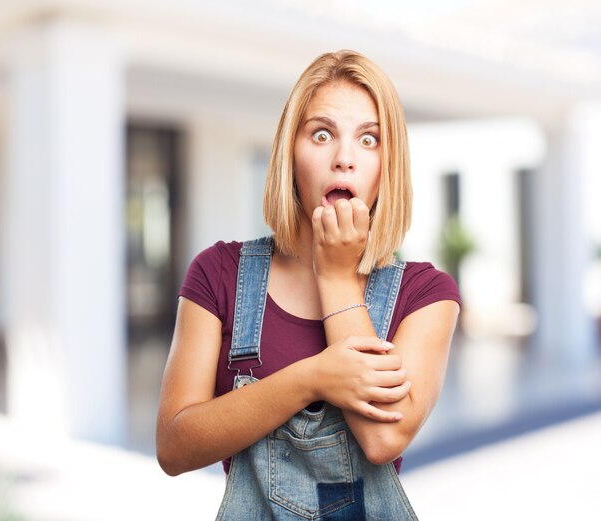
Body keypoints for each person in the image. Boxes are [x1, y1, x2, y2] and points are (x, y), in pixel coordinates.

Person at [156, 50, 461, 520]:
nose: (343, 159)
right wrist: (313, 377)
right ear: (289, 154)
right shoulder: (219, 273)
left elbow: (383, 439)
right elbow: (174, 448)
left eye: (369, 139)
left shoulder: (426, 294)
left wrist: (336, 276)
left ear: (389, 164)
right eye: (322, 134)